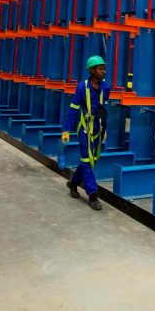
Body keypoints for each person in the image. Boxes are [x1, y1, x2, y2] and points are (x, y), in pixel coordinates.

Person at [61, 55, 111, 210]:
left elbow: (103, 109)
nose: (103, 71)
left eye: (104, 68)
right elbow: (74, 109)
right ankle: (93, 195)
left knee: (92, 159)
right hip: (84, 129)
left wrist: (105, 129)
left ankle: (73, 182)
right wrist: (66, 130)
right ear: (91, 70)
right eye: (100, 68)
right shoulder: (82, 87)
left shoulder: (106, 88)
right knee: (87, 160)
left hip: (98, 128)